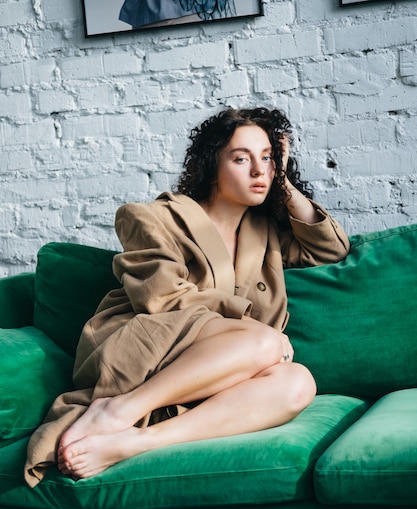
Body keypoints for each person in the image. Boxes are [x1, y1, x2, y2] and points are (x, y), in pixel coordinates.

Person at [24, 107, 350, 487]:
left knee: (299, 382)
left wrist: (286, 183)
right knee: (263, 339)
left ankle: (139, 441)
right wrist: (257, 333)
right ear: (212, 165)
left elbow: (331, 250)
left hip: (222, 369)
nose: (259, 172)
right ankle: (119, 409)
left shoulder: (267, 233)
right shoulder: (153, 218)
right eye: (242, 158)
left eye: (268, 159)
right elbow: (161, 297)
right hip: (147, 347)